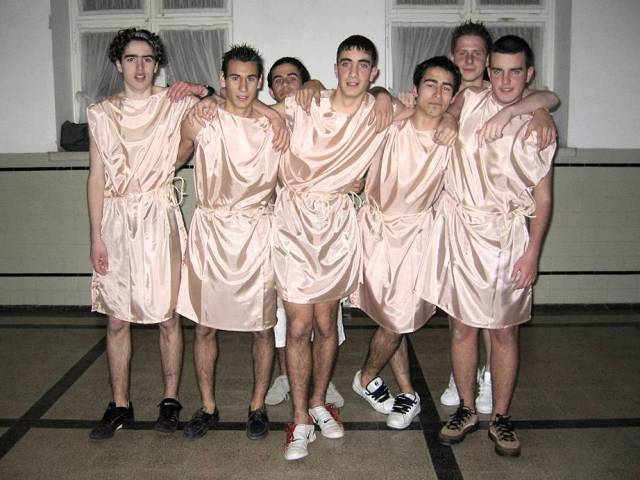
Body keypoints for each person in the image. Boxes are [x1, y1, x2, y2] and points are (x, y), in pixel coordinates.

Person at [261, 35, 406, 460]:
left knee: (327, 324)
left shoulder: (379, 111)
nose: (354, 72)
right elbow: (248, 110)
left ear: (373, 72)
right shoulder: (307, 102)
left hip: (338, 223)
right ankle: (299, 419)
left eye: (363, 65)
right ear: (336, 67)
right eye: (346, 63)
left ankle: (319, 402)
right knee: (298, 326)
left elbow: (435, 113)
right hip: (294, 221)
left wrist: (541, 104)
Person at [422, 35, 556, 457]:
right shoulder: (469, 99)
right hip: (462, 232)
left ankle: (500, 416)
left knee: (503, 331)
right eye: (497, 70)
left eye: (515, 71)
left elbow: (543, 198)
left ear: (528, 74)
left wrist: (533, 253)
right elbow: (442, 106)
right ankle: (466, 408)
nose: (505, 80)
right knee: (462, 327)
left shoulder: (537, 124)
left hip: (508, 237)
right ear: (487, 70)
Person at [86, 28, 197, 439]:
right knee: (117, 318)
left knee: (168, 316)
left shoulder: (174, 103)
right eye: (131, 58)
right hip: (116, 221)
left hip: (158, 216)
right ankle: (119, 404)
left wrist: (199, 89)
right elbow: (96, 177)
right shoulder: (101, 113)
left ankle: (170, 400)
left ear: (157, 64)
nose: (140, 66)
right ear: (118, 64)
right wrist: (95, 236)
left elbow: (220, 106)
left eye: (148, 58)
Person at [175, 44, 285, 441]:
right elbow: (173, 159)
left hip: (258, 232)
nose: (242, 87)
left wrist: (272, 112)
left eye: (251, 79)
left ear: (260, 82)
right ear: (222, 80)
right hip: (212, 231)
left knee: (263, 327)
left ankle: (257, 406)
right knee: (204, 326)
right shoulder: (203, 118)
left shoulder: (275, 124)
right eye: (234, 78)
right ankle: (207, 407)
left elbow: (317, 95)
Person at [351, 56, 461, 430]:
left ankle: (366, 376)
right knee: (389, 317)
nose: (438, 94)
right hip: (374, 230)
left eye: (446, 88)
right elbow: (369, 99)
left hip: (415, 237)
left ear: (453, 97)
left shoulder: (452, 139)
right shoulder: (394, 122)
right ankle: (408, 393)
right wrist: (382, 93)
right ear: (416, 89)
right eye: (431, 84)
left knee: (398, 319)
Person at [263, 57, 345, 408]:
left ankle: (321, 383)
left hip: (324, 226)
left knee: (326, 318)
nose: (285, 85)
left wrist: (317, 88)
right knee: (288, 317)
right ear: (270, 90)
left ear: (305, 82)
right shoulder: (267, 119)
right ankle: (286, 376)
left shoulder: (320, 113)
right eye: (278, 80)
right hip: (281, 225)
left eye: (292, 78)